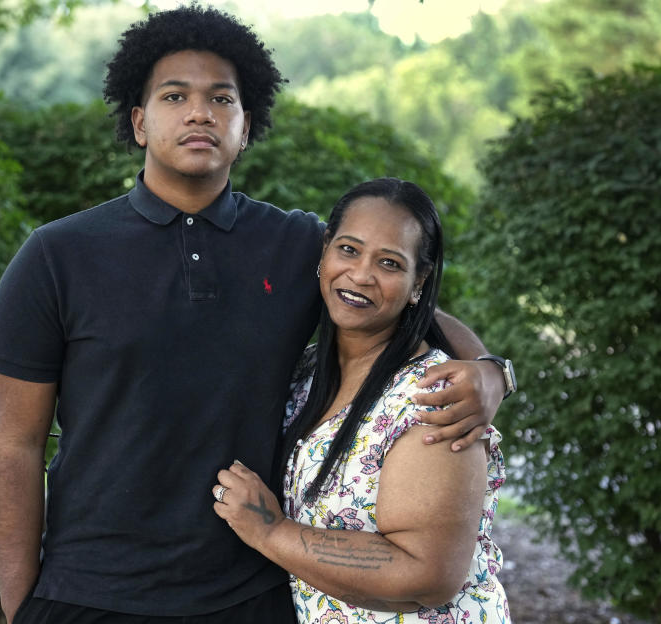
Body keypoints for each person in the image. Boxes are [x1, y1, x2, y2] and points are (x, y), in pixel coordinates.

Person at [0, 6, 514, 624]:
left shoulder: (296, 246)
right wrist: (20, 607)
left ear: (246, 124)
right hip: (89, 592)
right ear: (138, 122)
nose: (199, 112)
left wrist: (489, 371)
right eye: (174, 95)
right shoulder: (55, 256)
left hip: (250, 593)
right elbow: (14, 448)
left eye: (221, 98)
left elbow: (410, 313)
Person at [212, 178, 510, 623]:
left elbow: (428, 572)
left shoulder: (433, 399)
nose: (362, 274)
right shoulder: (307, 374)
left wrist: (271, 532)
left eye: (389, 263)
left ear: (418, 282)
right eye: (349, 250)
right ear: (325, 250)